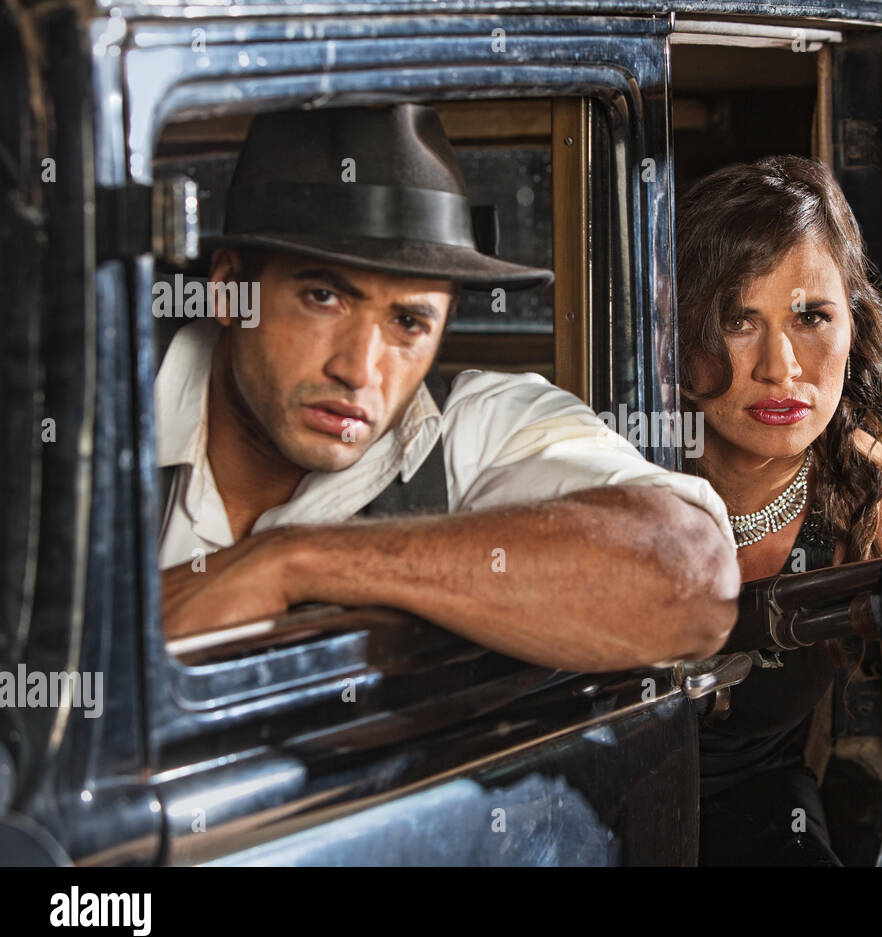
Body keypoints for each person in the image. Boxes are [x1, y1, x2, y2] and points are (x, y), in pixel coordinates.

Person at [157, 103, 739, 672]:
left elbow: (691, 579)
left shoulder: (479, 429)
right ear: (230, 288)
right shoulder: (88, 415)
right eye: (324, 299)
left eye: (407, 323)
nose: (359, 372)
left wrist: (289, 560)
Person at [675, 155, 882, 865]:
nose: (781, 367)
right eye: (738, 319)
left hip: (753, 809)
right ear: (680, 331)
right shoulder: (607, 454)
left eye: (811, 317)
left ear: (854, 325)